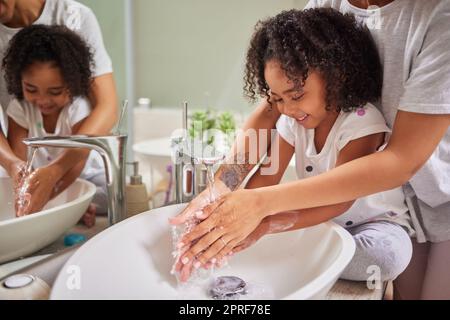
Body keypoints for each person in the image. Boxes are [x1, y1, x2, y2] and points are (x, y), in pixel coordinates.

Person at [171, 0, 450, 299]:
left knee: (386, 259)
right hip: (342, 221)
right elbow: (266, 166)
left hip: (427, 201)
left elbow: (377, 175)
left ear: (336, 77)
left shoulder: (362, 121)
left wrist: (261, 216)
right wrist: (222, 196)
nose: (286, 108)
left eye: (296, 96)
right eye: (279, 99)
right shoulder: (294, 110)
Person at [0, 0, 118, 216]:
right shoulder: (20, 109)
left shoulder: (77, 108)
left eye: (54, 92)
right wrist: (17, 171)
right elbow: (20, 158)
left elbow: (106, 109)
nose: (42, 100)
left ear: (71, 85)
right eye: (31, 89)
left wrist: (52, 187)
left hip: (83, 174)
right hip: (45, 175)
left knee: (100, 196)